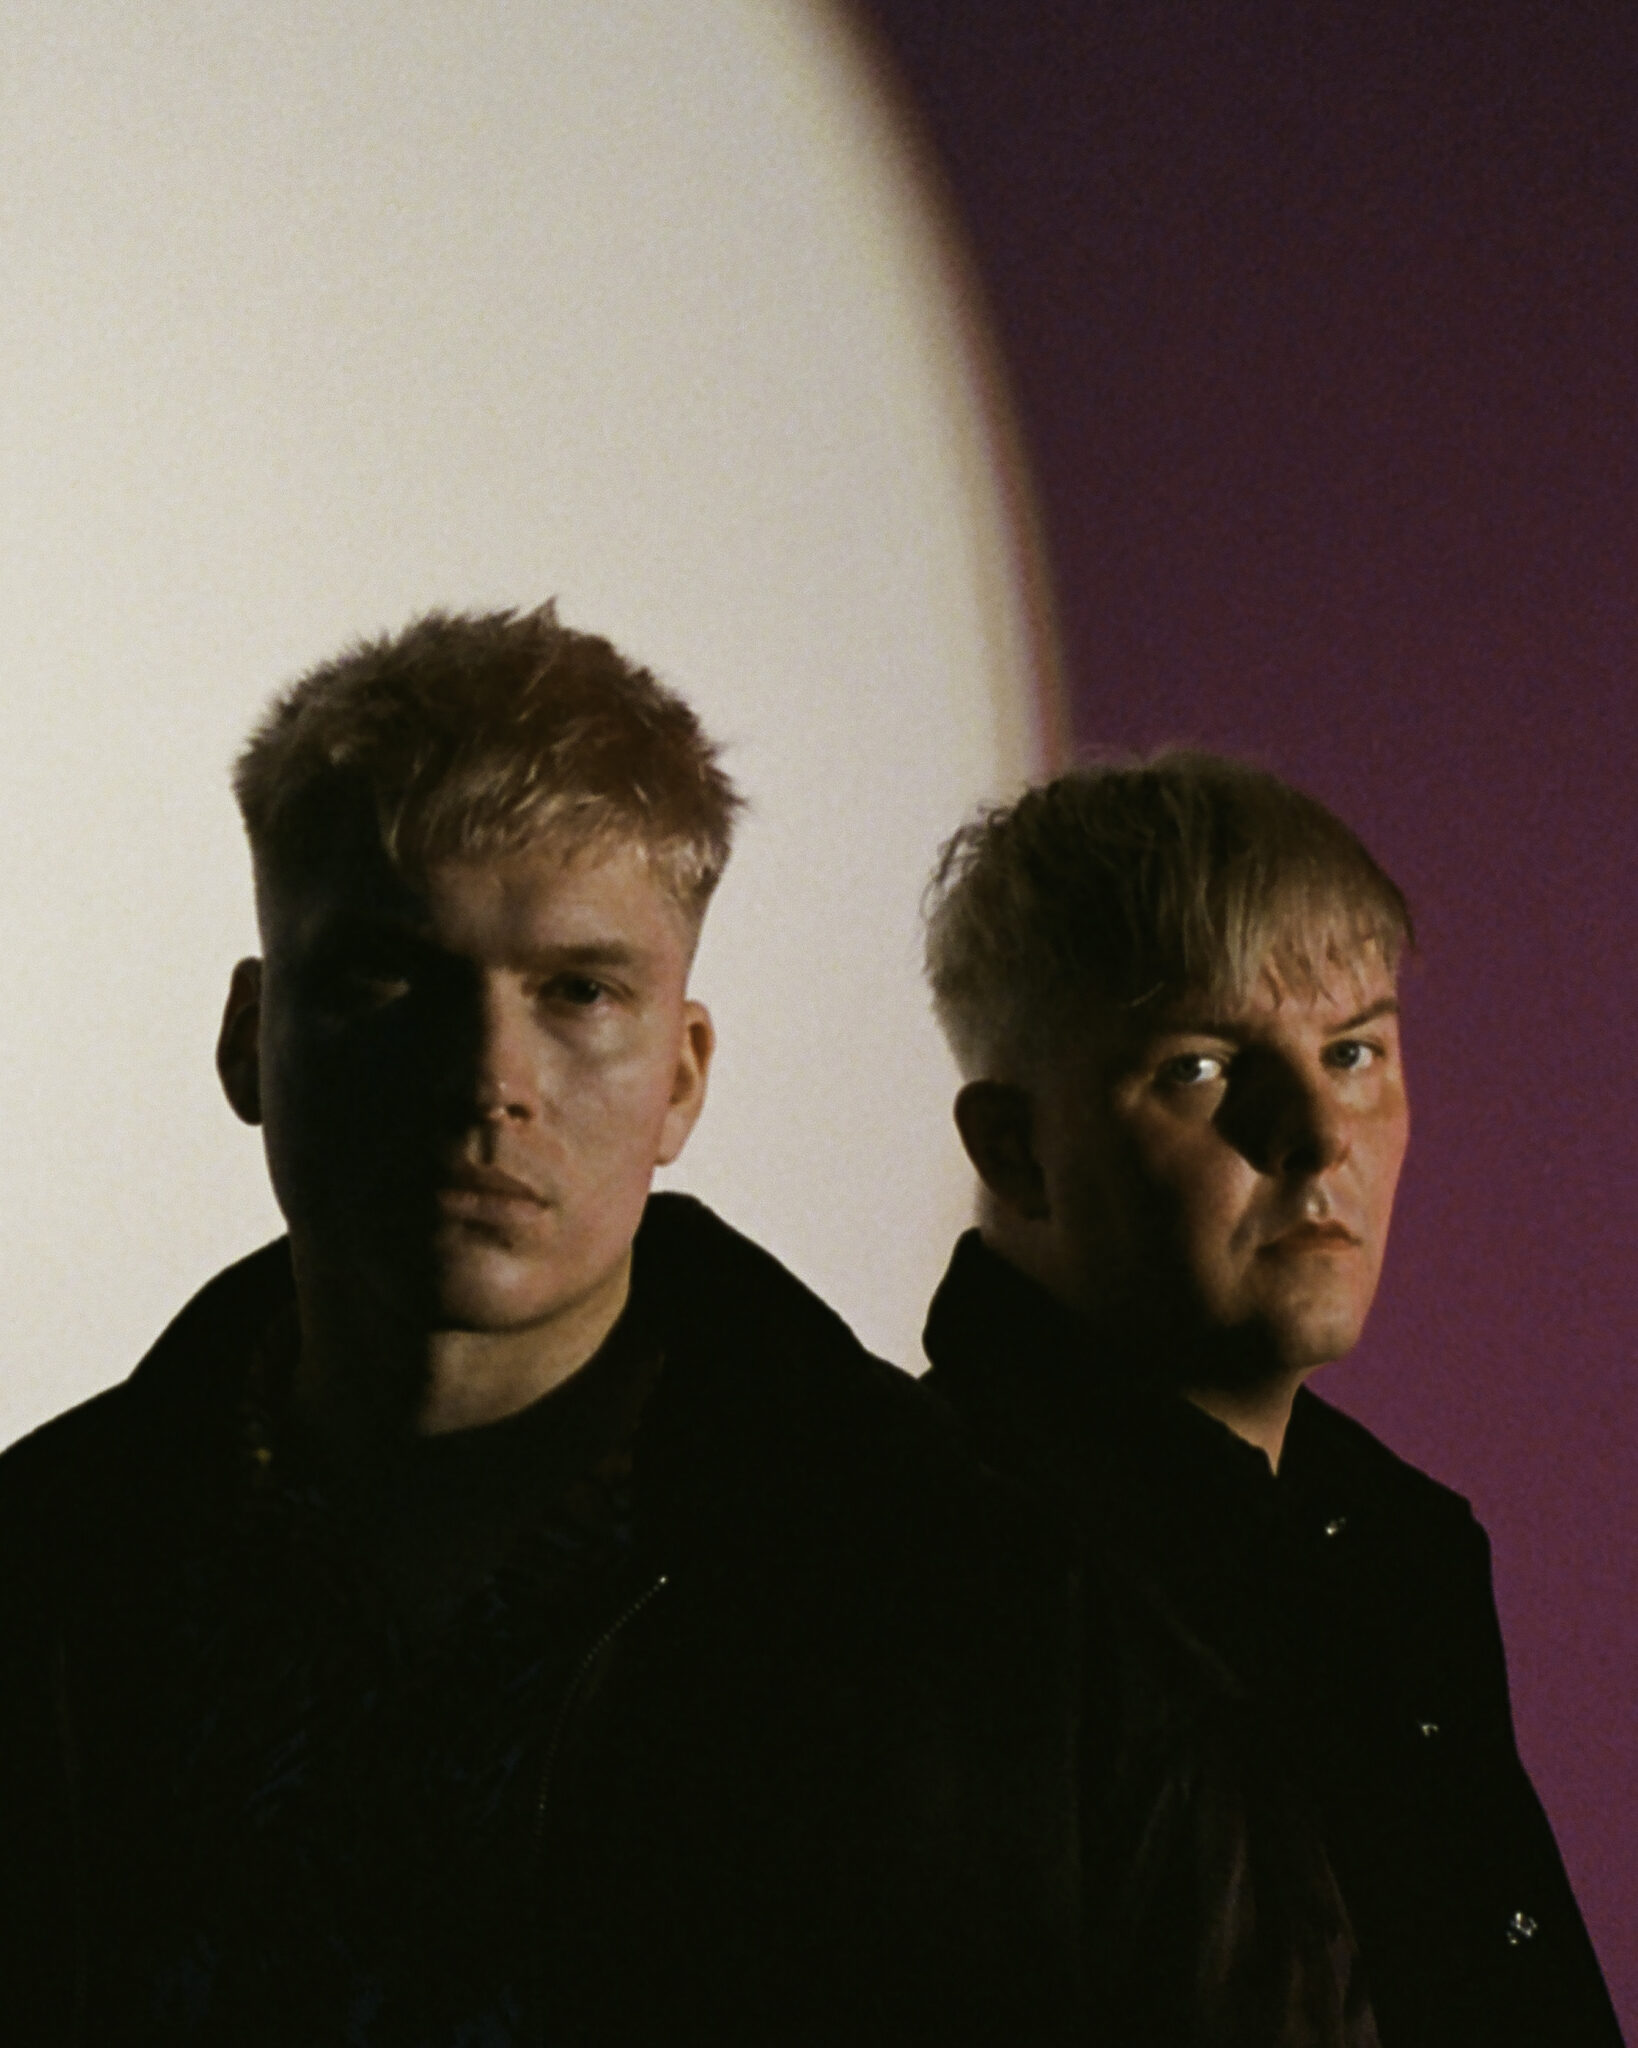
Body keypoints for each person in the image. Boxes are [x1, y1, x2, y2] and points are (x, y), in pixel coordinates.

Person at [0, 607, 1084, 2048]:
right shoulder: (50, 1574)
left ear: (681, 1075)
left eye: (578, 992)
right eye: (391, 977)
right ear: (251, 1039)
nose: (488, 1079)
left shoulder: (968, 1603)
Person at [918, 750, 1624, 2048]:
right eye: (1199, 1068)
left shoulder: (1399, 1542)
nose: (1318, 1131)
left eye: (1353, 1051)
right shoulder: (919, 1577)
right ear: (1015, 1149)